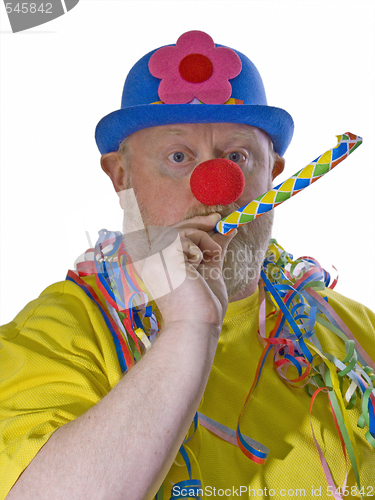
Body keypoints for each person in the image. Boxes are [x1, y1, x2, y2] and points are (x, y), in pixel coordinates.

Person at [1, 30, 374, 500]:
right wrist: (189, 327)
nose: (214, 188)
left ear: (274, 174)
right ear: (122, 176)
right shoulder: (54, 336)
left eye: (237, 157)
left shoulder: (357, 337)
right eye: (178, 157)